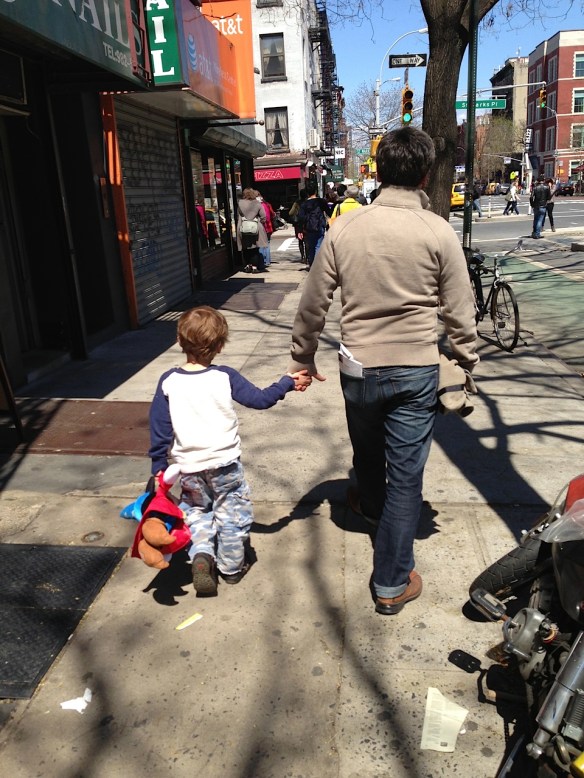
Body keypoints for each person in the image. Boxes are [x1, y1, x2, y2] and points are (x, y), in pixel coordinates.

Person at [288, 126, 478, 616]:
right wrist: (464, 359)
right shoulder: (437, 230)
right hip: (415, 370)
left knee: (367, 454)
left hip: (360, 368)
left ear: (378, 169)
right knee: (407, 477)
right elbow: (460, 309)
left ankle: (370, 508)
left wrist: (302, 355)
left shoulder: (345, 227)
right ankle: (392, 582)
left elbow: (314, 302)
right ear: (424, 173)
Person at [148, 306, 311, 595]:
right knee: (232, 516)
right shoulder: (224, 376)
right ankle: (231, 568)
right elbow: (260, 400)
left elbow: (159, 428)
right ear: (220, 346)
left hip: (189, 468)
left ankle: (202, 554)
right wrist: (287, 382)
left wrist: (158, 468)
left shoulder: (169, 381)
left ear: (179, 340)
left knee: (197, 512)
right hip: (225, 465)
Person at [297, 182, 328, 269]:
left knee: (311, 247)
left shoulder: (304, 204)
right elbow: (329, 212)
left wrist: (300, 230)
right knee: (318, 245)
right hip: (320, 225)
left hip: (309, 227)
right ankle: (318, 266)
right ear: (315, 191)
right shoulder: (321, 201)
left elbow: (301, 217)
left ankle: (312, 265)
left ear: (307, 193)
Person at [237, 187, 268, 272]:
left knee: (245, 248)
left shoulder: (240, 203)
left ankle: (247, 265)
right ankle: (254, 267)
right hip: (255, 228)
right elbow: (263, 216)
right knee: (255, 248)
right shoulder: (257, 203)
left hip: (243, 227)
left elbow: (238, 215)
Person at [257, 190, 276, 267]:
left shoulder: (256, 206)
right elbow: (273, 214)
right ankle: (267, 261)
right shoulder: (267, 204)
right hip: (268, 226)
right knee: (267, 244)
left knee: (261, 244)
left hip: (261, 227)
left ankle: (263, 261)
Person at [288, 188, 307, 263]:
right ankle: (307, 257)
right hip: (306, 223)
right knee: (306, 241)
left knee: (300, 241)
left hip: (298, 224)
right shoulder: (308, 202)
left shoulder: (297, 203)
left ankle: (302, 256)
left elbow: (290, 213)